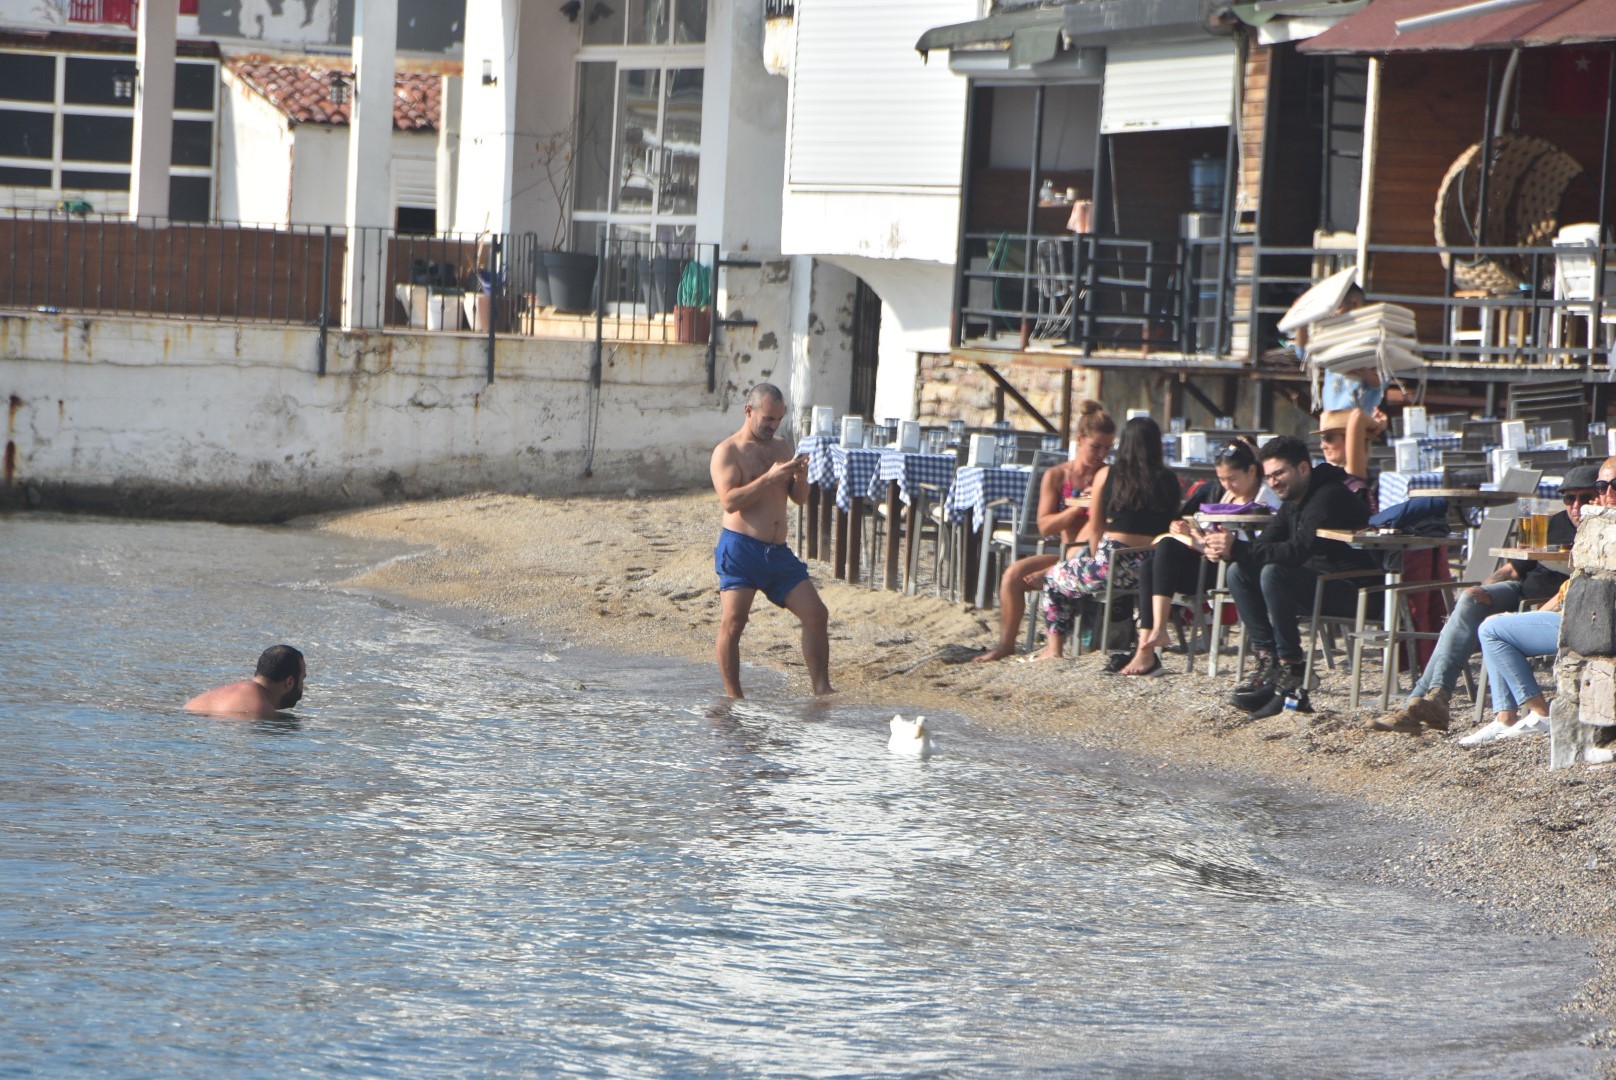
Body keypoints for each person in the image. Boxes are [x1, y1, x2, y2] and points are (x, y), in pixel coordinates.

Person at [1371, 461, 1604, 734]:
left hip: (1550, 604)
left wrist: (1532, 612)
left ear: (1599, 496)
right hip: (1521, 592)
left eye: (1585, 497)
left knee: (1486, 625)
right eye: (1568, 498)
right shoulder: (1554, 524)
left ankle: (1425, 700)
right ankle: (1433, 698)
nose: (1575, 506)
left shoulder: (1601, 531)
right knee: (1470, 602)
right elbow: (1515, 568)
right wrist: (1484, 586)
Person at [1203, 434, 1376, 719]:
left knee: (1274, 573)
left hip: (1355, 591)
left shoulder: (1327, 495)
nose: (1273, 482)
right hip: (1318, 584)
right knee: (1239, 572)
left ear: (1303, 468)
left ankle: (1293, 679)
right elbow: (1266, 544)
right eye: (1269, 477)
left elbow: (1298, 552)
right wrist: (1230, 550)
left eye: (1279, 473)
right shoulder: (1294, 500)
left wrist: (1239, 548)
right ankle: (1270, 665)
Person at [1457, 457, 1616, 746]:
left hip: (1595, 625)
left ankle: (1541, 715)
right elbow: (1573, 585)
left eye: (1612, 486)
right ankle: (1506, 716)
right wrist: (1537, 614)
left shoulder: (1606, 529)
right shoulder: (1596, 527)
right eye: (1602, 486)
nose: (1606, 493)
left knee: (1492, 630)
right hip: (1579, 615)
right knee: (1494, 624)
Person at [710, 382, 833, 699]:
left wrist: (801, 477)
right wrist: (769, 478)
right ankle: (734, 697)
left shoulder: (781, 447)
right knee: (734, 622)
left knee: (816, 614)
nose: (774, 425)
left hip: (777, 552)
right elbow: (729, 501)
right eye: (768, 418)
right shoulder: (728, 451)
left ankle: (822, 690)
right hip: (741, 548)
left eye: (779, 418)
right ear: (748, 411)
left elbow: (799, 499)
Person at [1119, 437, 1280, 676]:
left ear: (1252, 470)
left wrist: (1221, 545)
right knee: (1155, 558)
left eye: (1233, 479)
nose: (1227, 485)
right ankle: (1149, 643)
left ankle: (1151, 642)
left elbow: (1265, 544)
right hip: (1213, 563)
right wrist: (1190, 533)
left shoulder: (1269, 498)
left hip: (1242, 568)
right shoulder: (1220, 494)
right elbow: (1205, 534)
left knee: (1160, 556)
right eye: (1222, 479)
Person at [974, 400, 1116, 662]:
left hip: (1096, 558)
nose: (1101, 454)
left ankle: (1052, 575)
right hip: (1065, 554)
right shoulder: (1057, 475)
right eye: (1096, 446)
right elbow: (1045, 526)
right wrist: (1075, 508)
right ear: (1080, 439)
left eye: (1108, 448)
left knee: (1092, 525)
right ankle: (1006, 645)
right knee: (1012, 574)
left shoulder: (1107, 475)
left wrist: (1094, 502)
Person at [1031, 416, 1179, 661]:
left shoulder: (1109, 475)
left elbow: (1096, 525)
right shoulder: (1170, 480)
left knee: (1054, 577)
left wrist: (1094, 556)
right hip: (1153, 569)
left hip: (1114, 564)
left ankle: (1054, 649)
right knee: (1069, 571)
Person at [185, 644, 306, 718]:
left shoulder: (228, 691)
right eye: (302, 679)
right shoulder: (262, 711)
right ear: (289, 682)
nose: (302, 686)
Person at [1316, 413, 1385, 512]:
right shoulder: (1328, 474)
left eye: (1328, 438)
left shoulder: (1350, 473)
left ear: (1348, 439)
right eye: (1321, 439)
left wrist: (1378, 425)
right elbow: (1324, 415)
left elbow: (1357, 416)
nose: (1322, 446)